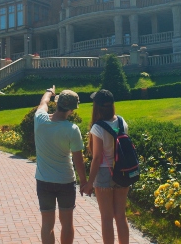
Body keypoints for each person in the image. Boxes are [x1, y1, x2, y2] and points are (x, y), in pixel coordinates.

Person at [34, 86, 88, 244]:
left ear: (57, 104)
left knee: (47, 224)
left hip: (44, 182)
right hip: (65, 181)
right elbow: (78, 160)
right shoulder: (72, 130)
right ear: (71, 109)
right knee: (67, 223)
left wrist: (49, 92)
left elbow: (43, 102)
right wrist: (84, 182)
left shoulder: (40, 119)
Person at [81, 89, 130, 244]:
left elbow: (97, 158)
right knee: (121, 216)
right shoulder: (122, 122)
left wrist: (89, 182)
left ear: (97, 107)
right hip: (122, 171)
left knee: (107, 218)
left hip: (103, 173)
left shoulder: (98, 128)